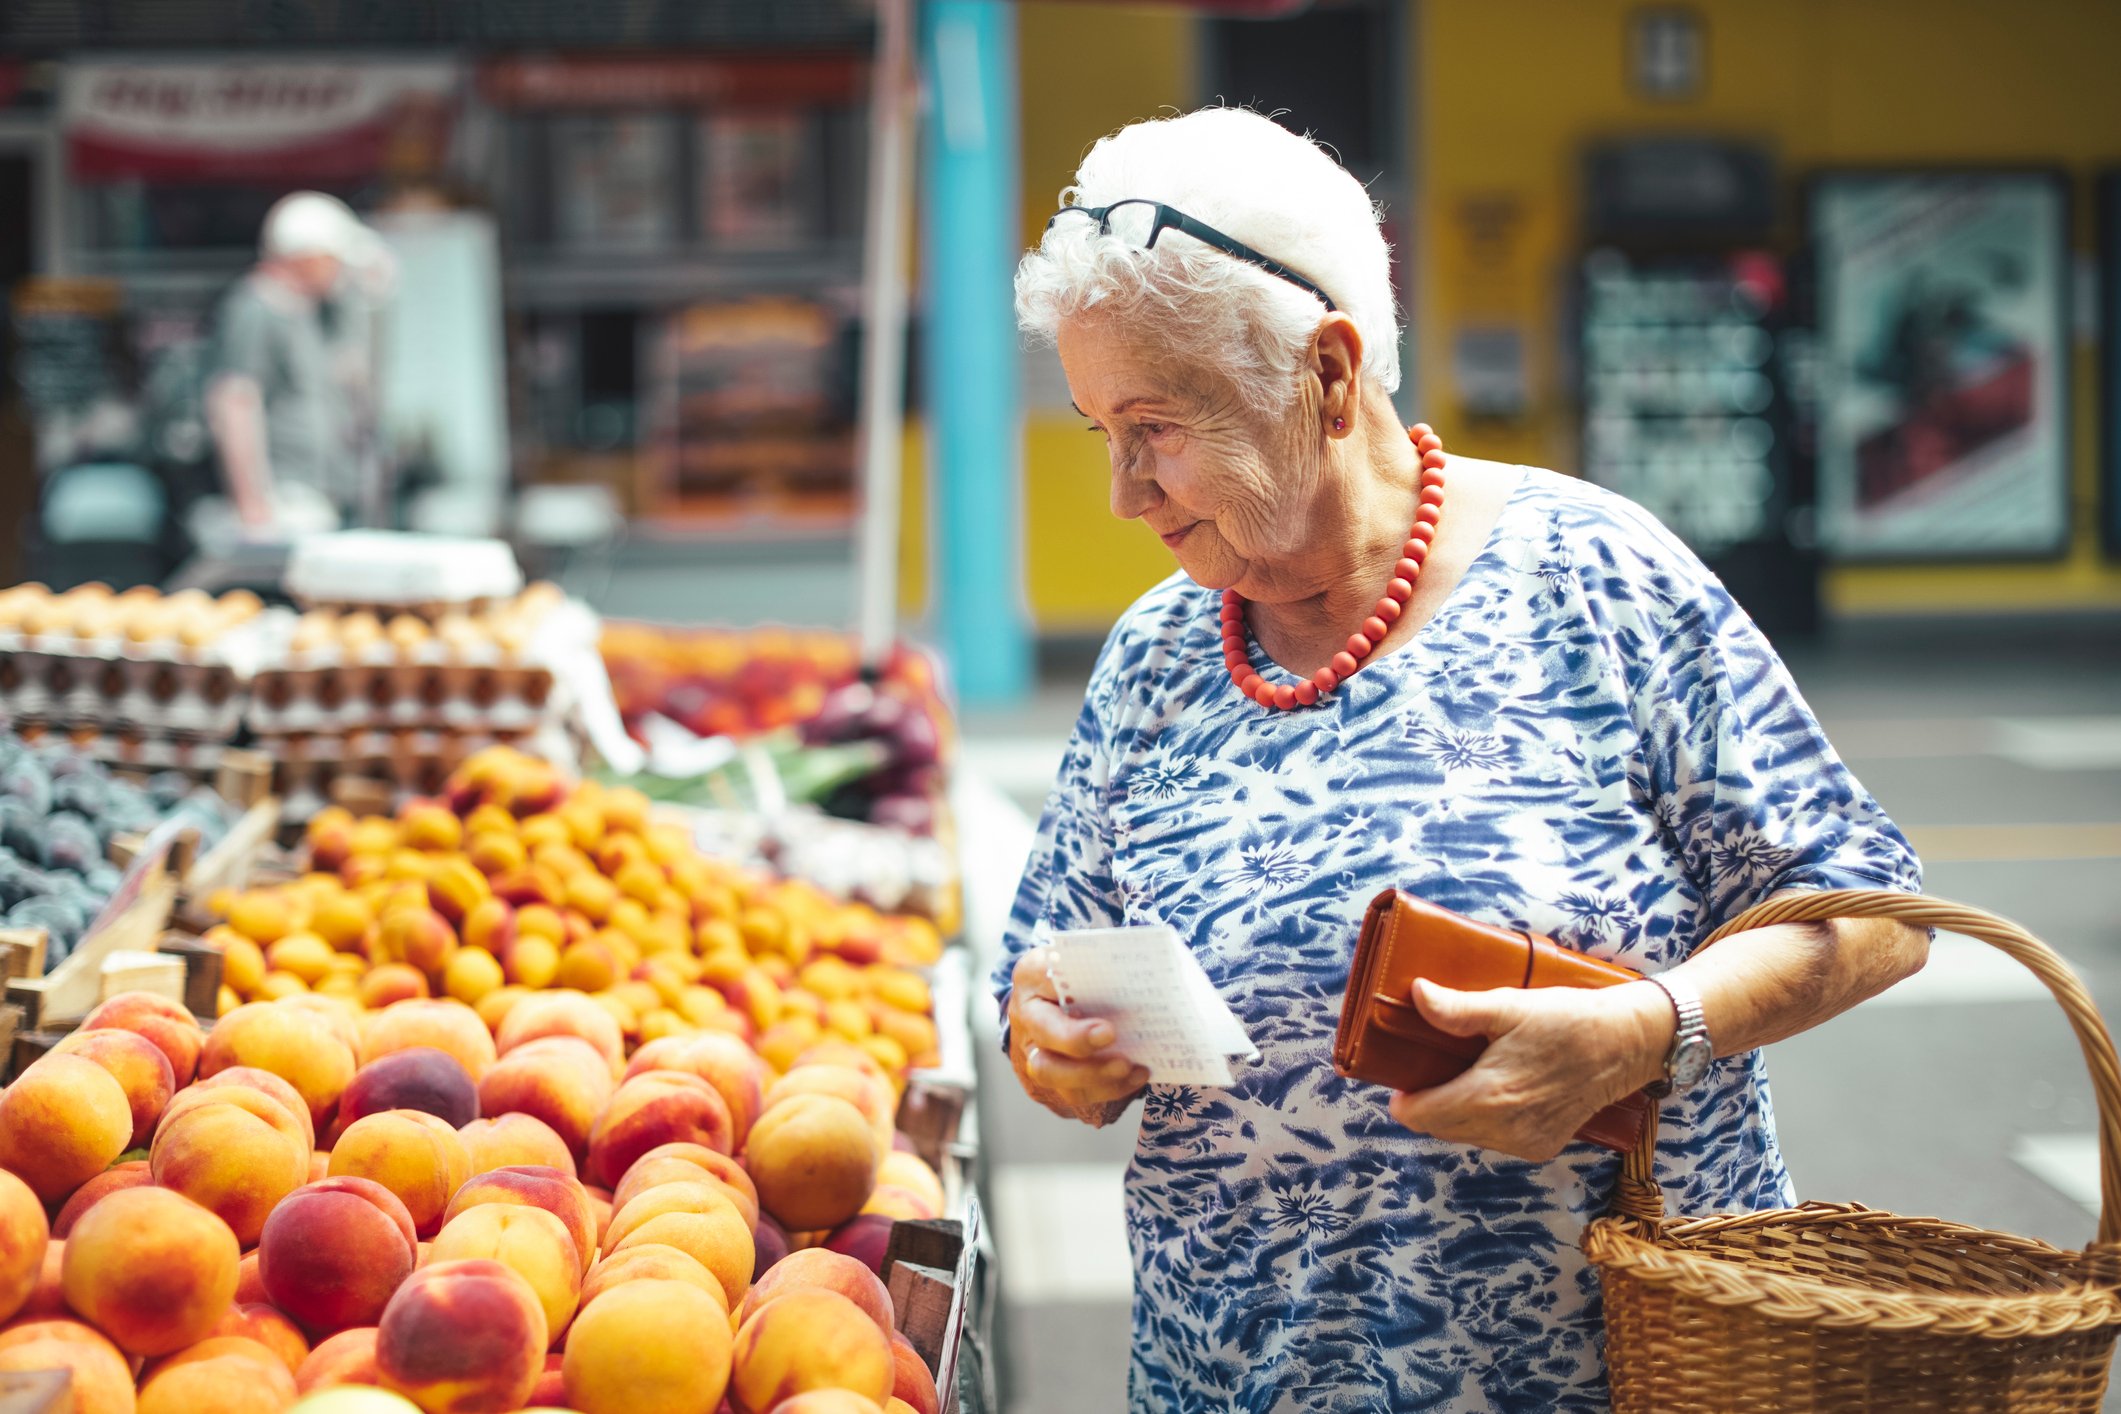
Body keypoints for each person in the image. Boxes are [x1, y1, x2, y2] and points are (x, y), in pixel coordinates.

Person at [995, 107, 1926, 1413]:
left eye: (1154, 424)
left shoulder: (1595, 576)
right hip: (1234, 1380)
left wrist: (1645, 1031)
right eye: (1101, 429)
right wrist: (1054, 1042)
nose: (1124, 491)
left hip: (1616, 1375)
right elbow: (1043, 973)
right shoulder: (1151, 658)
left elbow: (1870, 911)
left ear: (1327, 371)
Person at [201, 190, 390, 538]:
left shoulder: (316, 311)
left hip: (325, 494)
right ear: (306, 257)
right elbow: (235, 402)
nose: (340, 270)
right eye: (333, 259)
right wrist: (253, 504)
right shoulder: (255, 309)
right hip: (287, 501)